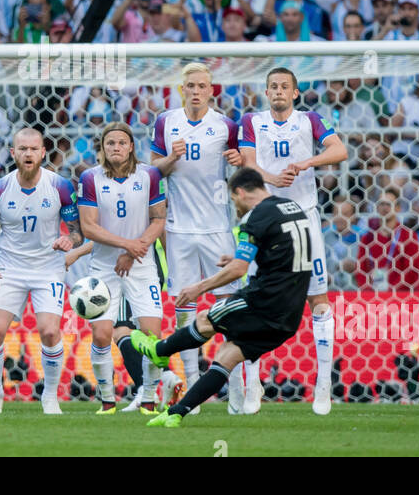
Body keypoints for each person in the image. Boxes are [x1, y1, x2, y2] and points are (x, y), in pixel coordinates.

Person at [131, 168, 317, 427]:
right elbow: (283, 251)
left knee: (205, 319)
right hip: (290, 314)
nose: (235, 206)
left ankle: (159, 350)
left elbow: (239, 270)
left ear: (240, 192)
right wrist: (241, 257)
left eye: (233, 200)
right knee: (227, 356)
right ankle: (177, 413)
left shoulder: (256, 217)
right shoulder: (291, 207)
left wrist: (198, 288)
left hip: (264, 302)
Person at [238, 67, 348, 415]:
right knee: (252, 297)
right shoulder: (252, 121)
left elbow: (339, 149)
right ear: (266, 92)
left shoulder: (310, 120)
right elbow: (248, 163)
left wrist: (305, 164)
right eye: (273, 87)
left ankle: (323, 385)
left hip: (305, 216)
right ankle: (253, 384)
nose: (279, 91)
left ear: (296, 93)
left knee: (318, 298)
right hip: (266, 216)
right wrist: (274, 177)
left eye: (285, 86)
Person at [149, 62, 243, 411]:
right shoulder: (165, 121)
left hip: (218, 226)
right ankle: (192, 389)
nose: (197, 91)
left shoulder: (225, 125)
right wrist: (171, 158)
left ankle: (235, 388)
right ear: (182, 89)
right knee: (184, 307)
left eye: (202, 85)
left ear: (211, 90)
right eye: (190, 85)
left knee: (230, 307)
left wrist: (236, 159)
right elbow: (154, 171)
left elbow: (242, 165)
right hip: (178, 228)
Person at [0, 127, 82, 414]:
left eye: (34, 149)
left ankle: (50, 397)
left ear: (43, 152)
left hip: (49, 269)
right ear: (13, 153)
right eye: (23, 149)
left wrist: (70, 239)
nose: (28, 153)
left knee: (49, 331)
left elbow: (79, 233)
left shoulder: (60, 186)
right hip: (10, 269)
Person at [67, 121, 167, 414]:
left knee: (152, 337)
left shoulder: (149, 174)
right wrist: (127, 245)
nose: (116, 148)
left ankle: (148, 398)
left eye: (122, 142)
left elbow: (158, 219)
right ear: (102, 147)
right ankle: (107, 399)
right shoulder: (89, 178)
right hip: (103, 268)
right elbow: (88, 226)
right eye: (110, 143)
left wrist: (134, 249)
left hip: (142, 265)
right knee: (101, 334)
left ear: (131, 146)